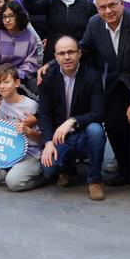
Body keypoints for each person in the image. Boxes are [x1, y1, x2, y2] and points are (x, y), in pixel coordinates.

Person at [79, 0, 130, 201]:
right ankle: (125, 171)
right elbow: (83, 50)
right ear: (97, 9)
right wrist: (55, 64)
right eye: (103, 7)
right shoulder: (94, 24)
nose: (108, 11)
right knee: (112, 125)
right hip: (112, 83)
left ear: (121, 4)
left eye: (112, 5)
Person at [37, 36, 106, 201]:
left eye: (71, 52)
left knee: (96, 130)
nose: (67, 57)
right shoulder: (48, 78)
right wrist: (47, 143)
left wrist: (72, 121)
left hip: (83, 133)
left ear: (79, 53)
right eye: (61, 53)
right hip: (59, 137)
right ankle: (66, 170)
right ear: (55, 57)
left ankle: (94, 180)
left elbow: (99, 112)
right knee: (49, 169)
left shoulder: (92, 76)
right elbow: (44, 114)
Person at [22, 0, 97, 64]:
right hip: (53, 60)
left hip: (81, 60)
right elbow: (31, 7)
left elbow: (94, 35)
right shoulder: (50, 2)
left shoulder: (87, 6)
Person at [0, 64, 44, 191]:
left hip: (31, 153)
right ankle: (4, 170)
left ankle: (45, 176)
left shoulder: (31, 106)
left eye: (6, 82)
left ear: (17, 83)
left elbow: (44, 139)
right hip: (9, 152)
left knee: (13, 183)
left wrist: (28, 131)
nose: (2, 86)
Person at [0, 1, 41, 81]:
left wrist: (16, 75)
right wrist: (1, 76)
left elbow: (31, 63)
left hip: (21, 79)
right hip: (0, 78)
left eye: (11, 16)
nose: (7, 20)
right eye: (4, 17)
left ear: (18, 17)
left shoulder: (29, 36)